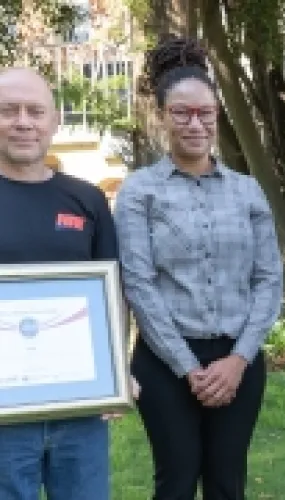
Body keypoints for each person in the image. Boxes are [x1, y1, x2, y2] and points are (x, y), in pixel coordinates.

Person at [114, 35, 283, 500]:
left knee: (228, 483)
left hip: (239, 360)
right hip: (165, 363)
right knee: (177, 481)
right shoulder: (139, 192)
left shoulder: (247, 191)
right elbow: (139, 284)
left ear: (217, 115)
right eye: (181, 113)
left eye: (205, 113)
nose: (195, 124)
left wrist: (238, 360)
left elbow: (269, 279)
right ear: (162, 116)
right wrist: (189, 367)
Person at [0, 67, 119, 499]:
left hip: (80, 412)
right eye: (9, 111)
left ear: (54, 121)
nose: (23, 122)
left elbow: (111, 294)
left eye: (35, 111)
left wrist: (114, 375)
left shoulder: (88, 199)